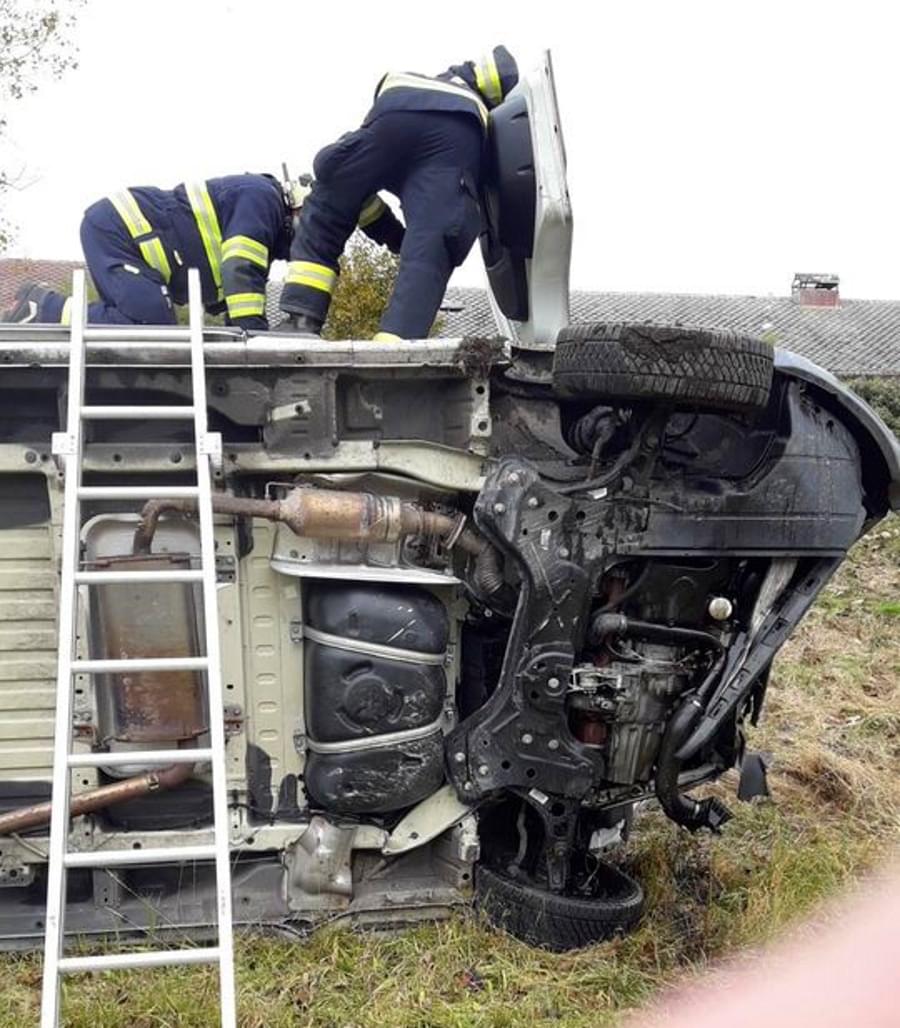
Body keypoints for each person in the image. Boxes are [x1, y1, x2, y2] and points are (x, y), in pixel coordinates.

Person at [280, 46, 519, 341]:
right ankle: (396, 342)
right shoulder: (475, 107)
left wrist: (394, 237)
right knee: (433, 244)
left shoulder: (426, 80)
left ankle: (301, 321)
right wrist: (409, 242)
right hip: (456, 137)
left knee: (334, 193)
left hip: (394, 115)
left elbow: (359, 198)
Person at [2, 172, 404, 332]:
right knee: (153, 322)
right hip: (121, 228)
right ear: (297, 207)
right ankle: (44, 306)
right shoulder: (262, 199)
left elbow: (235, 296)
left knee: (141, 324)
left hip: (137, 247)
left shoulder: (266, 224)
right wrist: (255, 337)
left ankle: (51, 311)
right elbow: (240, 268)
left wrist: (403, 244)